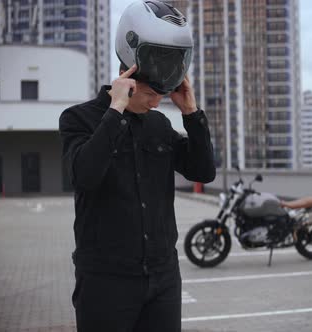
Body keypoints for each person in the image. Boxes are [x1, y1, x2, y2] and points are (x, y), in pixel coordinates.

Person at [58, 1, 215, 331]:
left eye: (164, 94)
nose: (158, 101)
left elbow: (203, 171)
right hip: (105, 280)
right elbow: (85, 176)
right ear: (126, 74)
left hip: (163, 276)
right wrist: (115, 111)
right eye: (150, 94)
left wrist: (192, 115)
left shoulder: (159, 126)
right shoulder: (78, 119)